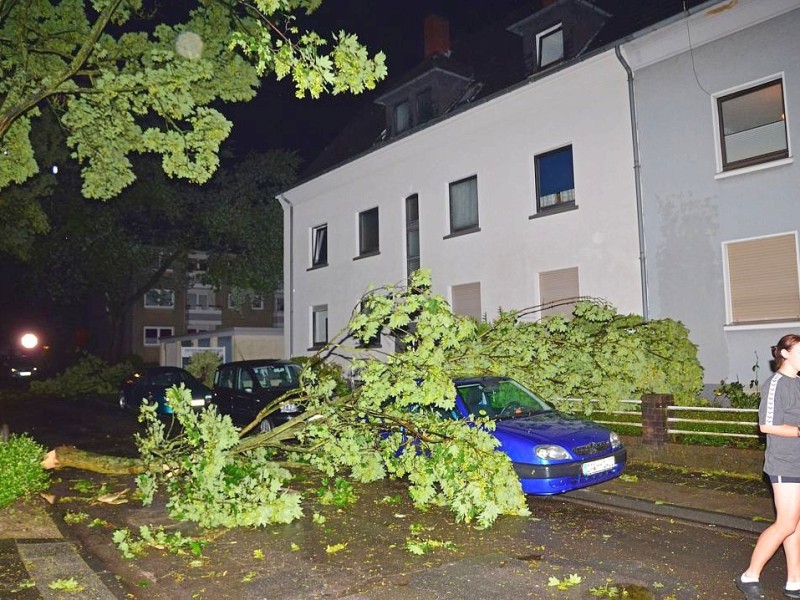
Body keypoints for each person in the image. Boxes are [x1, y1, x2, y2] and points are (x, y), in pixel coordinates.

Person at [737, 334, 800, 600]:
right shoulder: (776, 383)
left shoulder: (799, 383)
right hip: (784, 463)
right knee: (785, 523)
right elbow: (766, 425)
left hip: (798, 462)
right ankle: (749, 575)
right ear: (785, 354)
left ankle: (794, 581)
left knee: (795, 525)